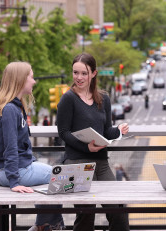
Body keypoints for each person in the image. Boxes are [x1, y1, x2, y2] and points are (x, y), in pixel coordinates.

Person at [0, 62, 64, 231]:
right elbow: (10, 146)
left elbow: (18, 145)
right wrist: (14, 181)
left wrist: (31, 162)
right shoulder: (9, 110)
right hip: (8, 172)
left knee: (49, 175)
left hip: (2, 170)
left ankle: (45, 224)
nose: (34, 81)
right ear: (20, 80)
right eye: (31, 76)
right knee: (57, 177)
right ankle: (46, 226)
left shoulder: (12, 107)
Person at [56, 53, 130, 231]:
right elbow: (63, 132)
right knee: (86, 214)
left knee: (118, 209)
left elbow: (106, 130)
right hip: (77, 162)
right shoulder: (68, 99)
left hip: (101, 163)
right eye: (75, 73)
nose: (79, 78)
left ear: (93, 73)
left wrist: (119, 131)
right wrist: (85, 146)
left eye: (84, 73)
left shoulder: (103, 98)